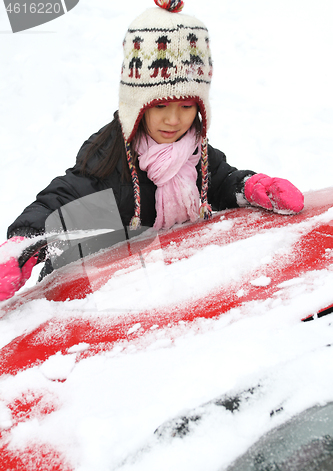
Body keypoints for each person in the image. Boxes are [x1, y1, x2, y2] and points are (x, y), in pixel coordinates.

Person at [0, 0, 304, 301]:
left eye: (186, 106)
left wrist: (249, 186)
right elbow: (59, 203)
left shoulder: (196, 154)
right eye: (160, 105)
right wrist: (23, 245)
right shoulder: (110, 165)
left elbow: (220, 185)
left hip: (160, 292)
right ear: (137, 105)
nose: (174, 120)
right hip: (93, 300)